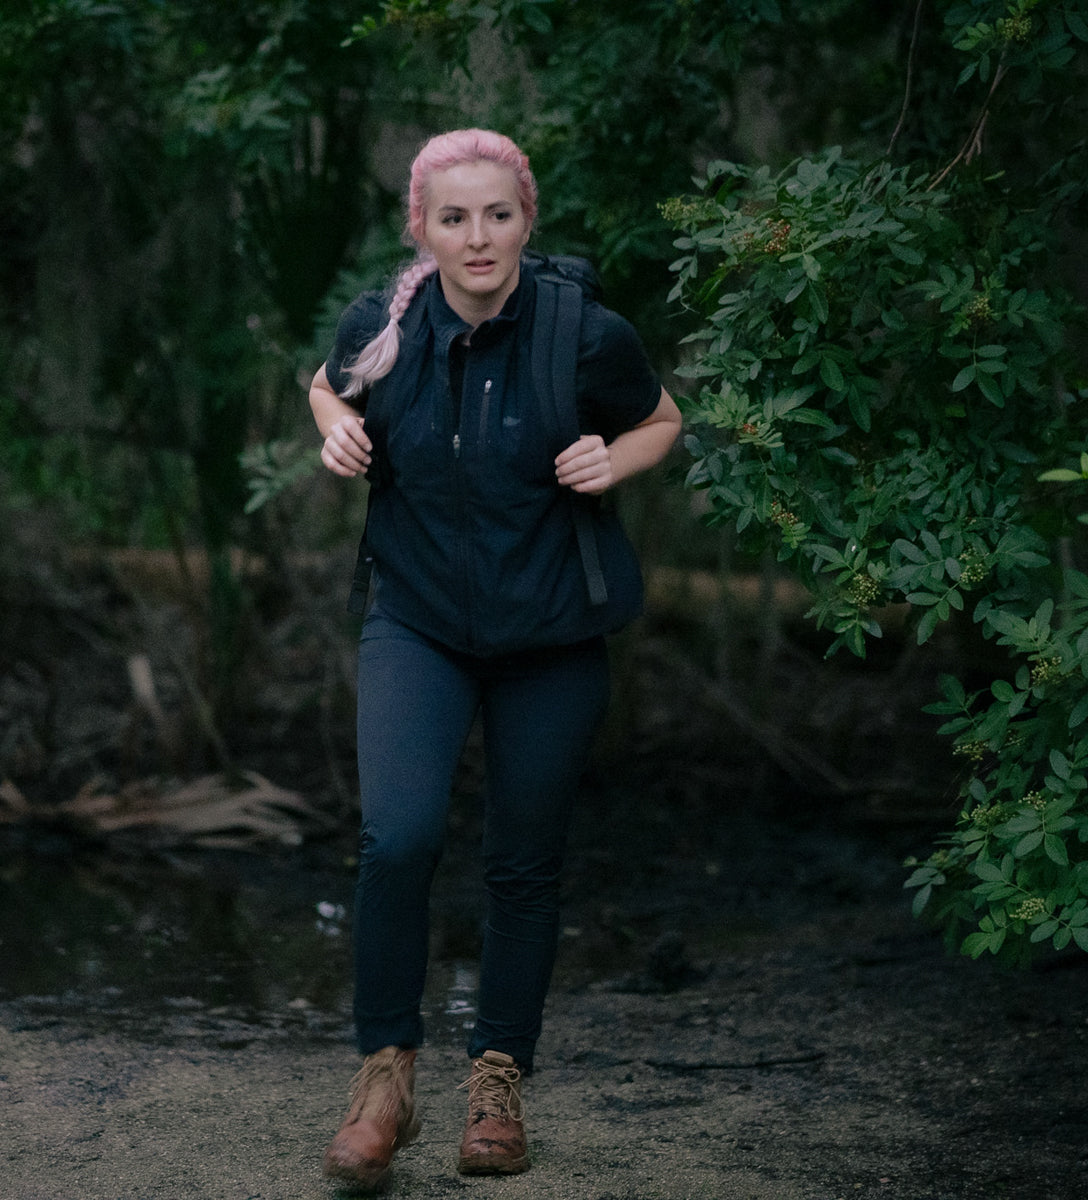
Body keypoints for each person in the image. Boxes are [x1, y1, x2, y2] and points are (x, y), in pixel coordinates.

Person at [308, 128, 681, 1190]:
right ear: (421, 227)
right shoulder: (382, 325)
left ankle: (497, 1083)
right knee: (398, 838)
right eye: (456, 218)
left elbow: (663, 420)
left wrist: (618, 455)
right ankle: (385, 1078)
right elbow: (322, 382)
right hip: (416, 620)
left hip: (553, 632)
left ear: (526, 218)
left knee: (523, 862)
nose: (480, 238)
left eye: (500, 215)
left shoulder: (582, 333)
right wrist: (335, 421)